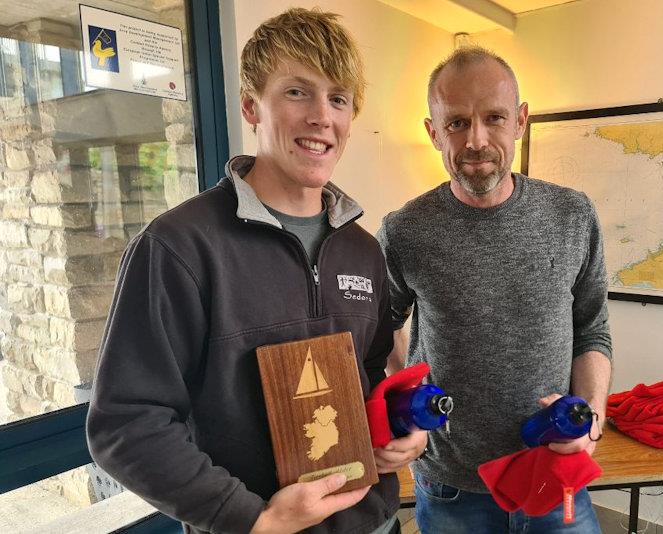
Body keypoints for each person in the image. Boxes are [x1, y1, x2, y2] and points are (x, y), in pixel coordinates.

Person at [87, 8, 421, 534]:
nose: (321, 116)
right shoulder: (179, 246)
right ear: (250, 106)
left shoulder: (362, 249)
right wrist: (251, 520)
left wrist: (399, 428)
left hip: (372, 524)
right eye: (296, 92)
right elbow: (128, 423)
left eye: (338, 98)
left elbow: (369, 376)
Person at [376, 46, 613, 534]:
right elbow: (380, 329)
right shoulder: (405, 230)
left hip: (554, 472)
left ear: (520, 121)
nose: (476, 140)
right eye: (457, 122)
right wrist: (410, 398)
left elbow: (592, 330)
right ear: (433, 131)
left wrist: (590, 424)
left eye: (494, 118)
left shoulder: (572, 216)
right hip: (451, 487)